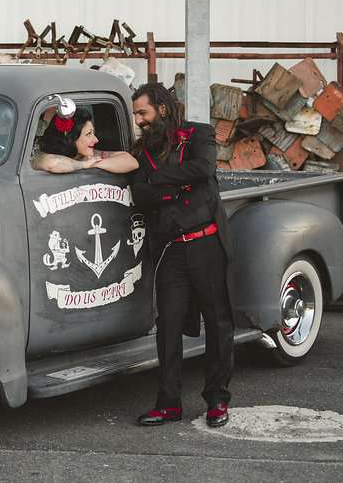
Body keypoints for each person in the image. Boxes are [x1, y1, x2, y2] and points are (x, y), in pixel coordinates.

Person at [129, 82, 235, 429]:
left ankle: (217, 399)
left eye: (143, 112)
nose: (139, 120)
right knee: (168, 326)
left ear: (161, 108)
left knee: (218, 323)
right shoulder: (142, 150)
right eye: (135, 115)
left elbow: (203, 168)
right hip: (170, 249)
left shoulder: (199, 134)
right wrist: (171, 190)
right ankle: (168, 403)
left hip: (206, 244)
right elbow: (140, 194)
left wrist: (159, 178)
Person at [31, 108, 136, 174]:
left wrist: (94, 164)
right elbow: (53, 163)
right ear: (71, 138)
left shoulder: (88, 155)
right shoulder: (40, 155)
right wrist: (84, 165)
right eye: (88, 134)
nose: (96, 140)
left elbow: (131, 162)